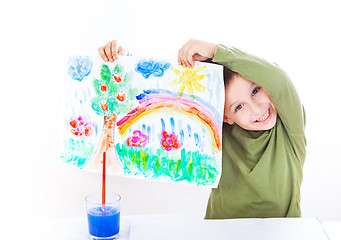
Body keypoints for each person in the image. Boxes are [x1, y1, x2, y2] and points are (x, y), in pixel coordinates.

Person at [98, 39, 306, 219]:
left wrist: (217, 51)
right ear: (226, 117)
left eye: (256, 90)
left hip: (283, 233)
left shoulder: (289, 128)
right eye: (239, 107)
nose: (256, 108)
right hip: (220, 232)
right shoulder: (218, 132)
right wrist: (124, 63)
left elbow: (280, 79)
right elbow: (168, 98)